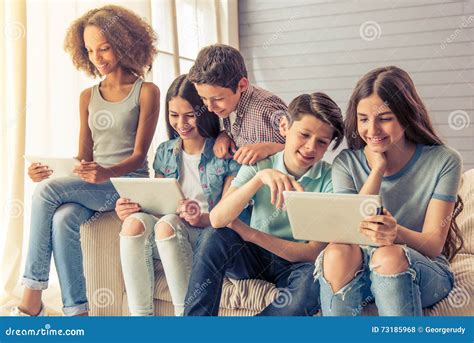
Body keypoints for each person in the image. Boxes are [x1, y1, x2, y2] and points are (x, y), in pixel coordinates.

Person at [12, 5, 159, 316]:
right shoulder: (87, 96)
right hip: (94, 182)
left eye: (104, 48)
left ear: (124, 43)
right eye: (90, 50)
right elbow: (84, 158)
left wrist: (106, 173)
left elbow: (138, 157)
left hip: (125, 182)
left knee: (46, 194)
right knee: (63, 216)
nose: (97, 58)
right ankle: (77, 313)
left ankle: (31, 297)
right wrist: (50, 172)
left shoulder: (146, 91)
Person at [315, 66, 464, 316]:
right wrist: (377, 170)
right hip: (362, 270)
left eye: (384, 118)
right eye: (363, 119)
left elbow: (433, 244)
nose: (372, 131)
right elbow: (350, 230)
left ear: (406, 115)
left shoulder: (444, 160)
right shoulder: (346, 163)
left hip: (421, 267)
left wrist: (395, 234)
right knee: (337, 252)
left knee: (389, 257)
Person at [184, 92, 344, 316]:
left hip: (296, 265)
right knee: (214, 235)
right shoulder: (260, 164)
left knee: (315, 280)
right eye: (304, 135)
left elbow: (312, 252)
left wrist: (251, 234)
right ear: (284, 127)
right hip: (254, 259)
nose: (310, 147)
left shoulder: (330, 179)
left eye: (322, 142)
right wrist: (260, 179)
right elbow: (217, 219)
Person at [115, 74, 242, 316]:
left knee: (168, 224)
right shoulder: (165, 152)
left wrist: (201, 218)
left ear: (204, 113)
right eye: (174, 115)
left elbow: (228, 217)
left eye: (189, 115)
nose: (181, 123)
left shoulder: (225, 153)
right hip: (168, 235)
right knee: (133, 224)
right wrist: (132, 208)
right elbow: (159, 205)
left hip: (207, 239)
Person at [188, 44, 288, 165]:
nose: (210, 107)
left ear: (241, 85)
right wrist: (224, 134)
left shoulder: (267, 110)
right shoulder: (231, 105)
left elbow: (307, 149)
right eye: (203, 98)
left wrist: (270, 148)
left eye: (218, 98)